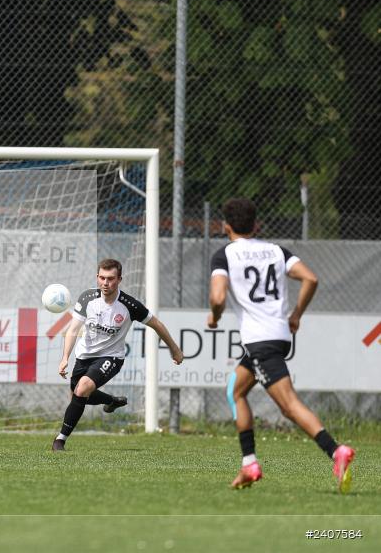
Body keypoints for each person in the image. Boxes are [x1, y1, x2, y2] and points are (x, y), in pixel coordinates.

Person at [209, 198, 354, 492]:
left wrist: (214, 317)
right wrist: (296, 314)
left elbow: (218, 297)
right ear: (256, 225)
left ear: (225, 227)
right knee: (235, 390)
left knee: (288, 405)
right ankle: (249, 464)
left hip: (260, 340)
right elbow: (310, 278)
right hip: (276, 336)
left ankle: (335, 450)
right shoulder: (276, 251)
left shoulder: (224, 255)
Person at [53, 258, 183, 451]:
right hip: (84, 356)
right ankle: (111, 400)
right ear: (97, 277)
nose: (106, 283)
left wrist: (174, 349)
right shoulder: (87, 298)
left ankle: (60, 440)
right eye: (102, 278)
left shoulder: (129, 305)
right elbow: (72, 330)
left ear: (119, 279)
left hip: (111, 357)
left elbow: (157, 324)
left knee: (82, 389)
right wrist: (65, 357)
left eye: (111, 279)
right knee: (79, 393)